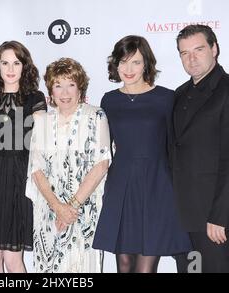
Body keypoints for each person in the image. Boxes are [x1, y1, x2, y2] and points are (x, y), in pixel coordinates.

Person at [92, 35, 192, 273]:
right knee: (124, 264)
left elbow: (175, 144)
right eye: (123, 61)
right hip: (121, 186)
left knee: (146, 268)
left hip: (156, 186)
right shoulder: (109, 100)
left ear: (146, 64)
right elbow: (103, 147)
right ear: (115, 64)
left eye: (135, 62)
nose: (129, 69)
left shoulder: (166, 98)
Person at [172, 25, 229, 273]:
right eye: (184, 53)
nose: (192, 58)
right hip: (184, 220)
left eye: (198, 49)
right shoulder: (179, 94)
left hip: (216, 222)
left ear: (214, 49)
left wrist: (220, 216)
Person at [26, 57, 110, 273]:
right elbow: (36, 170)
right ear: (50, 91)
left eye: (70, 84)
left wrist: (71, 207)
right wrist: (57, 207)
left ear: (80, 87)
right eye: (58, 85)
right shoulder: (42, 121)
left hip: (83, 212)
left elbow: (101, 164)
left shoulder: (96, 116)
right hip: (48, 213)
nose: (64, 93)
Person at [0, 41, 47, 273]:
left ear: (25, 67)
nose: (10, 69)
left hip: (20, 179)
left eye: (16, 63)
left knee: (13, 258)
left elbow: (43, 140)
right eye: (5, 63)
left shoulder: (35, 97)